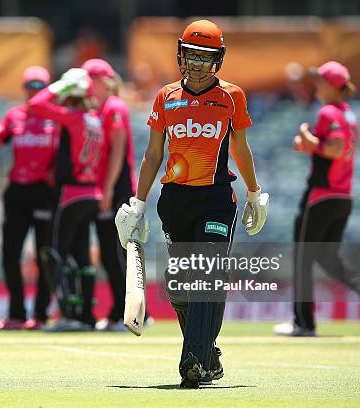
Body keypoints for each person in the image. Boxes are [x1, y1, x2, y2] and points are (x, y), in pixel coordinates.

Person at [115, 20, 269, 387]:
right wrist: (138, 202)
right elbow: (153, 154)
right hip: (175, 201)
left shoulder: (232, 96)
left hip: (216, 199)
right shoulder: (165, 96)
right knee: (180, 283)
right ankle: (208, 357)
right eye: (192, 56)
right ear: (181, 56)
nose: (198, 64)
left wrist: (252, 192)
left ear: (218, 60)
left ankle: (193, 360)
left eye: (206, 57)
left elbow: (240, 148)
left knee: (206, 276)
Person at [274, 61, 360, 337]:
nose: (316, 85)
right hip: (342, 197)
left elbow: (335, 149)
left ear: (332, 85)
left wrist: (305, 136)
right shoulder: (349, 114)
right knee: (329, 259)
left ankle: (304, 323)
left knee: (303, 258)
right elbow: (332, 149)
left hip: (321, 196)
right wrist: (309, 145)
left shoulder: (328, 111)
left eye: (320, 81)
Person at [0, 66, 60, 330]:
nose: (34, 91)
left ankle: (40, 315)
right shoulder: (14, 116)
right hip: (17, 190)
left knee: (45, 254)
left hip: (44, 192)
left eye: (40, 86)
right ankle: (16, 313)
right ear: (24, 89)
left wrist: (56, 173)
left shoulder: (57, 118)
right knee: (9, 253)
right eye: (30, 86)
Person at [28, 68, 104, 332]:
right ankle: (86, 315)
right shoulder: (94, 118)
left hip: (72, 193)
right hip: (92, 192)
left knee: (57, 255)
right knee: (82, 256)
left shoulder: (74, 118)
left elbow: (36, 103)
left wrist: (60, 85)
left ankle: (68, 314)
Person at [81, 58, 137, 331]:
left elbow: (118, 150)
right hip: (108, 188)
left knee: (117, 252)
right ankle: (118, 311)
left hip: (117, 189)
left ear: (103, 81)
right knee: (107, 252)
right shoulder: (99, 109)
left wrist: (107, 188)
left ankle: (130, 313)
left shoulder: (114, 107)